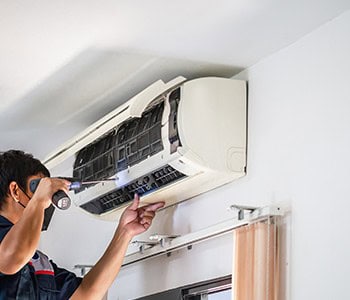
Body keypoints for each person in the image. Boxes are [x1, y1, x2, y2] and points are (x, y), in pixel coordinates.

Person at [0, 150, 165, 299]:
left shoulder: (37, 262)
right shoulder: (14, 252)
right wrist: (39, 200)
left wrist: (124, 233)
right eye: (38, 188)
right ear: (15, 191)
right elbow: (10, 260)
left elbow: (86, 293)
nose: (47, 203)